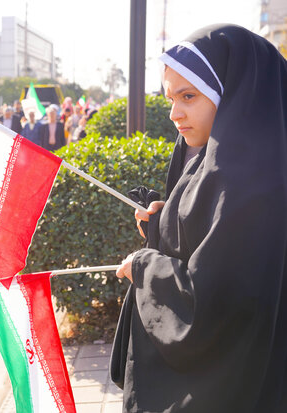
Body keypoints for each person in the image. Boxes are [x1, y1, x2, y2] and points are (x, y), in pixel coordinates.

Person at [114, 24, 287, 412]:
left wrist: (143, 266)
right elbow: (209, 232)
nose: (175, 113)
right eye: (170, 98)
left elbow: (215, 308)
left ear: (235, 93)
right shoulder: (218, 155)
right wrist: (164, 217)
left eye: (189, 96)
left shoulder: (245, 177)